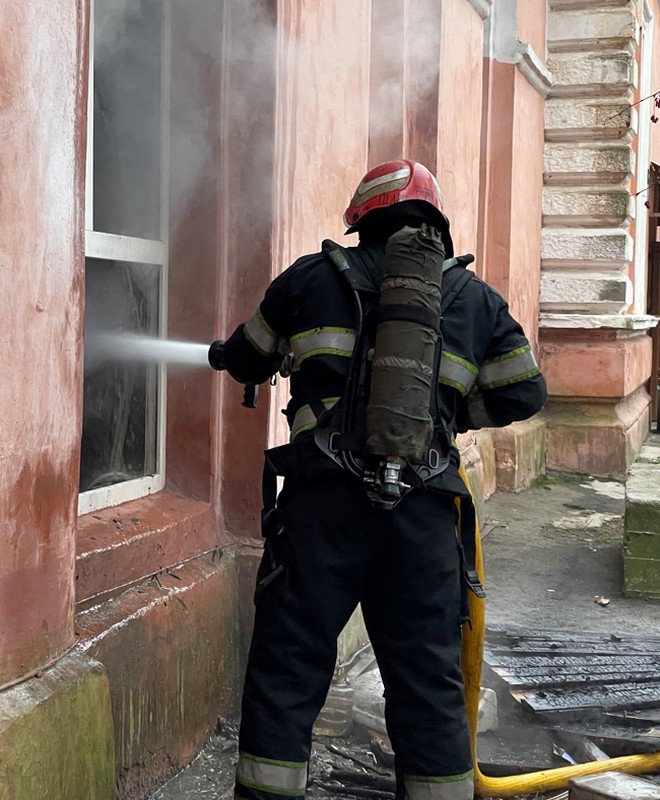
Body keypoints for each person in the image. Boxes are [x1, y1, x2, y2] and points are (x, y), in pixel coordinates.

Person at [209, 160, 547, 800]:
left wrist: (259, 355)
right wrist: (446, 419)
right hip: (421, 518)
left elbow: (249, 354)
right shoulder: (475, 300)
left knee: (287, 671)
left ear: (361, 218)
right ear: (436, 226)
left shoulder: (311, 279)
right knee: (426, 684)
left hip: (319, 512)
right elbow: (525, 391)